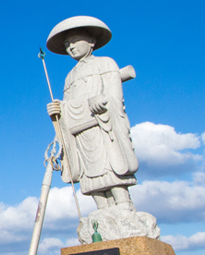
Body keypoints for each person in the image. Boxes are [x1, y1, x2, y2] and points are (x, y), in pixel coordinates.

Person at [46, 16, 139, 210]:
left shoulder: (105, 64)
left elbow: (114, 95)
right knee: (89, 172)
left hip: (103, 126)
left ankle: (123, 203)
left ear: (92, 41)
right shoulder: (70, 77)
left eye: (74, 41)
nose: (70, 47)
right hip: (79, 132)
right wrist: (58, 110)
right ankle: (102, 208)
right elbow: (68, 103)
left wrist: (102, 99)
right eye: (66, 44)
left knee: (110, 164)